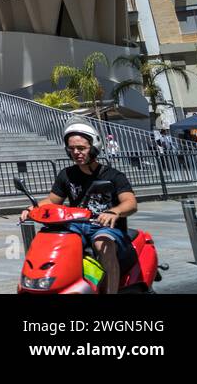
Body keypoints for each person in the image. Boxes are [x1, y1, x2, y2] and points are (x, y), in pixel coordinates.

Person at [21, 121, 138, 294]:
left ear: (93, 146)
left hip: (104, 227)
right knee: (52, 240)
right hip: (76, 225)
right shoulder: (67, 174)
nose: (76, 152)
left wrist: (115, 211)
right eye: (72, 148)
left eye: (81, 148)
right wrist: (32, 209)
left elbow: (130, 202)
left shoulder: (113, 176)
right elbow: (53, 200)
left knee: (101, 243)